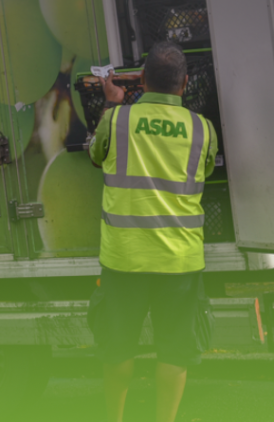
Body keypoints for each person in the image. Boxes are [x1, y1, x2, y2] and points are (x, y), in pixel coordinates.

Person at [87, 41, 217, 422]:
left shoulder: (117, 119)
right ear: (186, 84)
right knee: (175, 351)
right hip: (179, 260)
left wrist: (113, 102)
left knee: (118, 348)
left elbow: (96, 156)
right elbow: (204, 172)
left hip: (124, 258)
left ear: (141, 80)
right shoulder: (202, 129)